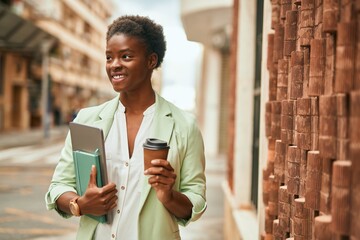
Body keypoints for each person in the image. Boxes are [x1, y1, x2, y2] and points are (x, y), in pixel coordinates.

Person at [45, 15, 207, 240]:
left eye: (126, 56)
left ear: (151, 61)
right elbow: (58, 186)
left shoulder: (184, 126)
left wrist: (169, 195)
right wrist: (80, 204)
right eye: (109, 57)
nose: (114, 65)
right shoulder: (86, 119)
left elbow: (196, 202)